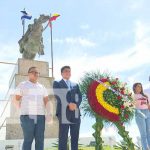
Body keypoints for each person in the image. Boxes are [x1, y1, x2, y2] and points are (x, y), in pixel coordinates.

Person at [14, 66, 49, 150]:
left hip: (40, 116)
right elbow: (16, 99)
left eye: (37, 72)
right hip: (27, 116)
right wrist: (21, 111)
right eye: (33, 72)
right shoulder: (23, 85)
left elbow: (46, 101)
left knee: (40, 140)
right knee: (28, 139)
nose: (36, 74)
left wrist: (49, 114)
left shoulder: (42, 87)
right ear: (29, 74)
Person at [53, 66, 82, 150]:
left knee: (75, 136)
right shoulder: (57, 83)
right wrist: (69, 104)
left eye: (69, 71)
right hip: (63, 112)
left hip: (76, 112)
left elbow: (79, 96)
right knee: (63, 136)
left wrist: (76, 105)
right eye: (66, 71)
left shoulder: (75, 84)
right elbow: (59, 95)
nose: (68, 72)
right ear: (62, 73)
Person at [133, 82, 150, 150]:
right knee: (143, 134)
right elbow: (131, 105)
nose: (140, 88)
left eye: (140, 86)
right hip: (139, 113)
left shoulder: (145, 96)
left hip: (147, 113)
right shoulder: (133, 95)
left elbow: (148, 105)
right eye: (138, 86)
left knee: (149, 133)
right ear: (134, 88)